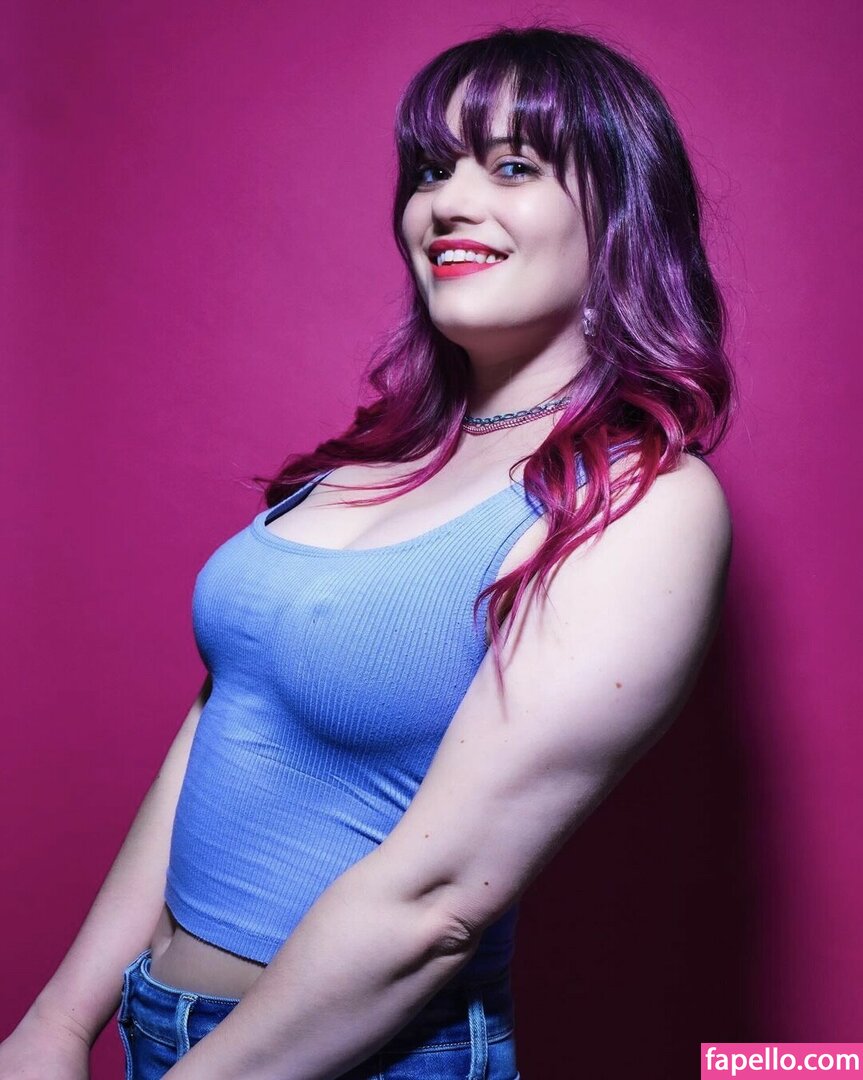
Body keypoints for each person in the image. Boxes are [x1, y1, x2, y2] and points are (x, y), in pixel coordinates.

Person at [0, 22, 735, 1080]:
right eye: (431, 169)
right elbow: (225, 726)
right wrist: (60, 1022)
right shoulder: (377, 460)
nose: (447, 203)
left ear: (620, 210)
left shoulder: (636, 501)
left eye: (512, 166)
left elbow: (436, 905)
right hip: (163, 1026)